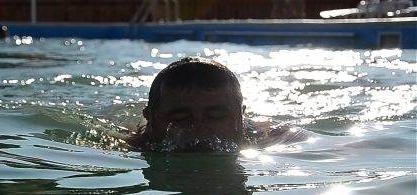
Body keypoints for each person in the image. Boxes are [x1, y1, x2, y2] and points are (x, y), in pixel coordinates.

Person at [124, 56, 308, 152]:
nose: (199, 130)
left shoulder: (276, 138)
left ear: (240, 116)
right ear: (149, 117)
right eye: (180, 117)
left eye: (215, 116)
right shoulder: (127, 144)